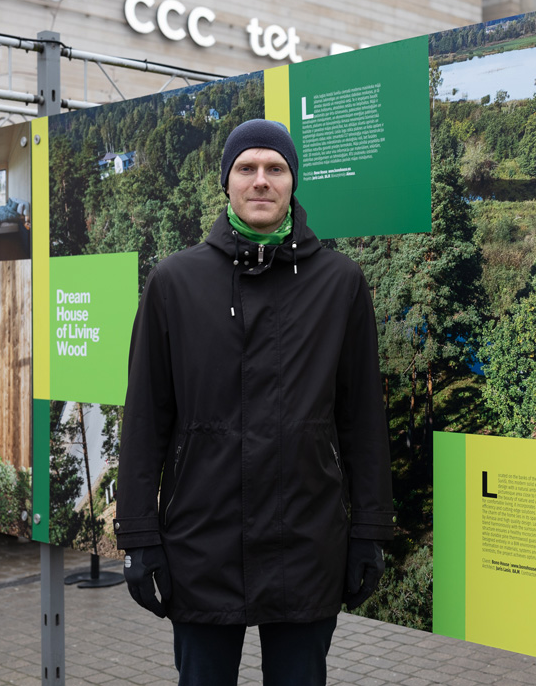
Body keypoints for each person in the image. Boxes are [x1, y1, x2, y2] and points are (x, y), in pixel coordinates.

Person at [114, 119, 396, 686]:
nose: (261, 180)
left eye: (275, 168)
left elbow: (362, 420)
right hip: (203, 543)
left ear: (293, 182)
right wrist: (139, 537)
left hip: (306, 543)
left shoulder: (339, 282)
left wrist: (370, 529)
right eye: (246, 168)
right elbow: (145, 421)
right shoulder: (175, 282)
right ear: (226, 181)